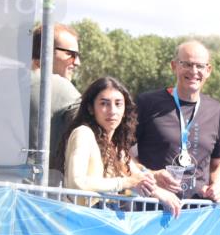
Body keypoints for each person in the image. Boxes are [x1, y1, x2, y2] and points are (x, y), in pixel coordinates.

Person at [55, 77, 180, 217]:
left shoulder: (113, 143)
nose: (112, 111)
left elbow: (135, 174)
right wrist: (125, 183)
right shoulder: (83, 134)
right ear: (91, 108)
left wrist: (156, 180)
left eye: (118, 104)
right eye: (104, 103)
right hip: (84, 219)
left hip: (104, 217)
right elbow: (77, 182)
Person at [136, 40, 220, 202]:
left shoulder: (216, 111)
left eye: (200, 66)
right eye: (186, 64)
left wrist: (217, 186)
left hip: (196, 214)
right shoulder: (147, 103)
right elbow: (123, 155)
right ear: (174, 66)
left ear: (208, 70)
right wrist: (150, 174)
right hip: (151, 209)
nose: (194, 71)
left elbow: (218, 164)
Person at [30, 23, 82, 183]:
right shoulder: (61, 87)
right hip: (42, 196)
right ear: (45, 53)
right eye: (71, 54)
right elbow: (98, 136)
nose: (77, 62)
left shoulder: (5, 82)